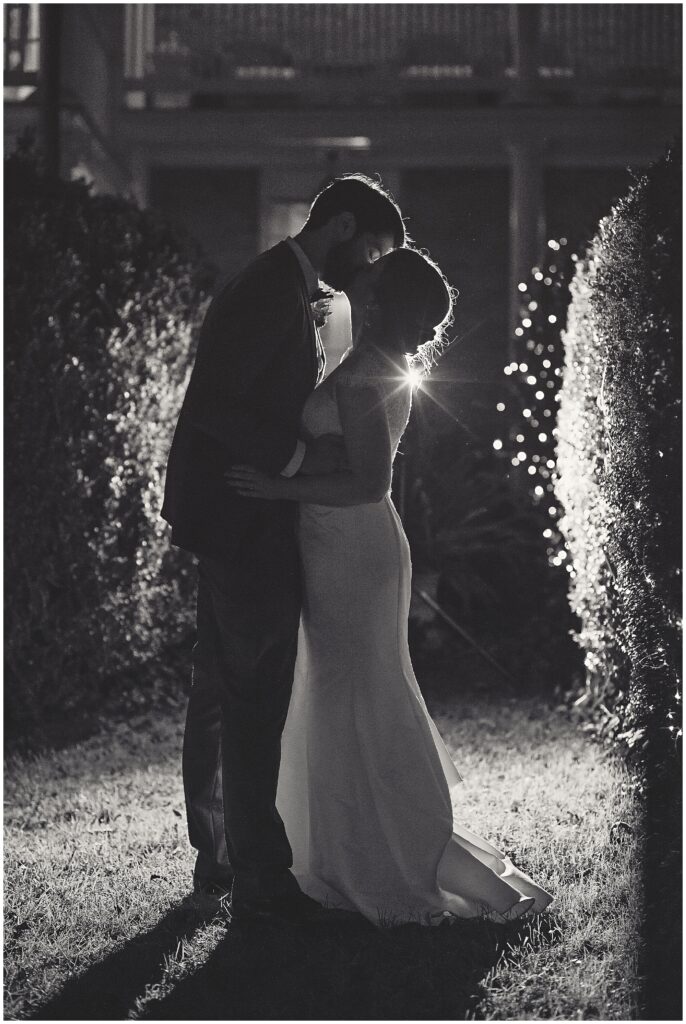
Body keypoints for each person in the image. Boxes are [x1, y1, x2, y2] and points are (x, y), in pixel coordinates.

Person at [226, 248, 554, 925]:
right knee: (345, 689)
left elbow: (371, 482)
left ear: (386, 300)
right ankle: (346, 849)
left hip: (352, 542)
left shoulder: (368, 374)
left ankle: (397, 851)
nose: (362, 282)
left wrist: (279, 487)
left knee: (358, 693)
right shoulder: (368, 361)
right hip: (340, 538)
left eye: (374, 281)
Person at [161, 174, 406, 922]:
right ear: (338, 228)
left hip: (234, 508)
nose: (369, 271)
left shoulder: (287, 286)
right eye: (369, 251)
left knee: (217, 684)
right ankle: (259, 873)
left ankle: (219, 852)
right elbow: (220, 404)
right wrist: (294, 470)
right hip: (243, 512)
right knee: (252, 691)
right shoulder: (270, 288)